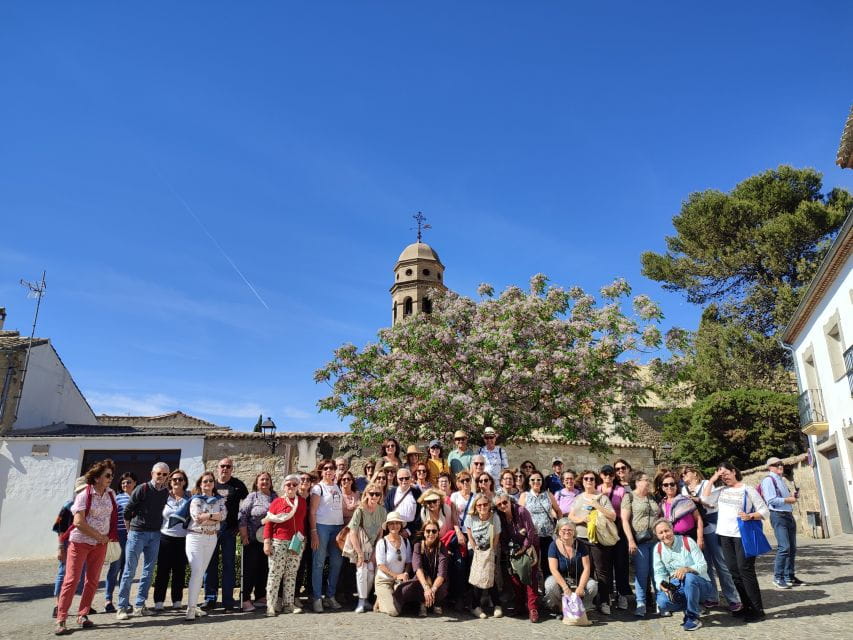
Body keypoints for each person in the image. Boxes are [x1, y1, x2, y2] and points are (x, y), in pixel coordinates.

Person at [55, 459, 117, 635]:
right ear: (97, 478)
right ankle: (61, 618)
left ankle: (83, 614)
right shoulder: (84, 494)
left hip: (100, 544)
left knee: (93, 580)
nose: (111, 478)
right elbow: (78, 522)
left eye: (111, 475)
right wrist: (99, 536)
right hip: (80, 541)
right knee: (72, 579)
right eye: (107, 475)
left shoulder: (111, 494)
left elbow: (111, 518)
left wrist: (107, 538)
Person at [702, 462, 769, 622]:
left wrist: (750, 516)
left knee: (745, 571)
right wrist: (713, 479)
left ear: (734, 471)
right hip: (724, 535)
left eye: (725, 473)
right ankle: (746, 606)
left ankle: (757, 610)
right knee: (734, 572)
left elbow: (764, 510)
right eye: (721, 475)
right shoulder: (721, 490)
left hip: (742, 535)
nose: (724, 477)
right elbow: (705, 498)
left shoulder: (747, 489)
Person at [681, 465, 741, 611]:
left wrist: (698, 500)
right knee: (705, 565)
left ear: (694, 473)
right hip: (697, 529)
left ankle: (733, 598)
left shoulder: (707, 484)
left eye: (685, 473)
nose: (683, 476)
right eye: (681, 474)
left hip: (712, 525)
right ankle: (712, 596)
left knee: (721, 563)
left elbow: (713, 504)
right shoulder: (684, 490)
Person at [116, 462, 170, 620]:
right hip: (137, 533)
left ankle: (140, 605)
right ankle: (122, 607)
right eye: (158, 473)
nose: (161, 477)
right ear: (152, 473)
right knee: (129, 571)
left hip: (155, 535)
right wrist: (130, 530)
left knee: (148, 572)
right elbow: (127, 511)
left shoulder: (165, 492)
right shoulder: (142, 488)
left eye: (164, 474)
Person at [652, 519, 715, 631]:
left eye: (667, 530)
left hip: (701, 584)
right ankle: (691, 605)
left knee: (689, 578)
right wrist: (662, 584)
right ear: (656, 535)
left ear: (672, 530)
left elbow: (703, 565)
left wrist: (688, 569)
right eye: (660, 533)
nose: (665, 535)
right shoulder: (658, 549)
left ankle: (692, 617)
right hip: (678, 584)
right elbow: (659, 573)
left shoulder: (687, 541)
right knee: (661, 601)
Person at [202, 458, 248, 612]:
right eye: (223, 466)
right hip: (211, 530)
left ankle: (228, 601)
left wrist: (239, 525)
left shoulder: (238, 485)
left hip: (229, 531)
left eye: (228, 466)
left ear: (232, 469)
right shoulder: (211, 483)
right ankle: (210, 599)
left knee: (229, 566)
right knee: (210, 565)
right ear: (218, 468)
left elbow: (246, 508)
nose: (225, 469)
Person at [569, 469, 617, 615]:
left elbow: (613, 516)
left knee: (601, 571)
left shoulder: (602, 497)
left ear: (596, 482)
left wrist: (597, 506)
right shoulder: (578, 497)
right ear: (582, 481)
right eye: (586, 479)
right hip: (581, 538)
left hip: (598, 540)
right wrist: (581, 519)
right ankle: (587, 601)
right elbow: (571, 516)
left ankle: (604, 601)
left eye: (591, 479)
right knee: (584, 570)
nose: (589, 481)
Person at [184, 472, 227, 621]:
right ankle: (190, 610)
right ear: (200, 484)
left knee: (201, 572)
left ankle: (194, 607)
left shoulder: (219, 500)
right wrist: (214, 517)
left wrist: (208, 516)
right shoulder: (195, 500)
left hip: (211, 538)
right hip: (195, 536)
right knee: (196, 571)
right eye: (205, 481)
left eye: (210, 481)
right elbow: (197, 518)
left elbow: (223, 516)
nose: (208, 483)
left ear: (214, 484)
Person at [263, 474, 307, 616]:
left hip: (296, 542)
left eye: (295, 484)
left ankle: (288, 604)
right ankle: (271, 604)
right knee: (275, 574)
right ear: (284, 486)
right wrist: (267, 541)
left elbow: (301, 523)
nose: (291, 487)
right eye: (289, 484)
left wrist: (301, 542)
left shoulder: (302, 502)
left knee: (291, 574)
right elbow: (269, 522)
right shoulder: (277, 502)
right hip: (279, 541)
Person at [495, 493, 539, 622]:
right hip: (512, 550)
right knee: (514, 578)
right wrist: (507, 550)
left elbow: (530, 531)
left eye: (504, 502)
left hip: (529, 547)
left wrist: (524, 548)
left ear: (509, 501)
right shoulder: (501, 517)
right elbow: (502, 537)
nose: (503, 506)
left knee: (529, 576)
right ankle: (520, 605)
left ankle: (533, 608)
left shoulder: (521, 511)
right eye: (499, 505)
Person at [762, 456, 804, 589]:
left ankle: (789, 576)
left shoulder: (781, 480)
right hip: (778, 515)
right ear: (770, 467)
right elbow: (771, 500)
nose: (780, 466)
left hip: (788, 515)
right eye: (776, 465)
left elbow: (785, 498)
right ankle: (778, 577)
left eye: (781, 464)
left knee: (792, 548)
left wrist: (793, 497)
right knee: (784, 547)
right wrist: (787, 500)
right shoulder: (768, 480)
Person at [621, 470, 658, 617]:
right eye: (645, 480)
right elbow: (624, 520)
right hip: (640, 541)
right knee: (642, 573)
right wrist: (630, 540)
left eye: (648, 480)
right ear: (637, 482)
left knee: (657, 573)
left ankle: (660, 602)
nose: (648, 482)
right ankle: (641, 603)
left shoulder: (652, 496)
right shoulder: (629, 497)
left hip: (656, 541)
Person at [309, 459, 345, 612]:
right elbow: (312, 512)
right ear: (321, 471)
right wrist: (314, 532)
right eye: (325, 469)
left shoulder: (337, 486)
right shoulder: (318, 488)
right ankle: (317, 598)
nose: (329, 471)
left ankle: (330, 596)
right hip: (322, 527)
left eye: (331, 468)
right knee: (318, 563)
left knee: (336, 563)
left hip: (337, 528)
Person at [238, 471, 277, 612]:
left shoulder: (275, 497)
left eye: (267, 479)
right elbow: (242, 515)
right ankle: (246, 599)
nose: (265, 482)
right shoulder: (252, 496)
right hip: (252, 539)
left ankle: (260, 596)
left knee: (264, 569)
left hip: (269, 540)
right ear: (257, 482)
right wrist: (244, 536)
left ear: (271, 482)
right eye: (262, 480)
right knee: (250, 569)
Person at [394, 520, 449, 616]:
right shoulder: (418, 546)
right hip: (422, 581)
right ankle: (422, 603)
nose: (431, 534)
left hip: (436, 581)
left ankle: (436, 603)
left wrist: (432, 590)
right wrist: (426, 588)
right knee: (404, 590)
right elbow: (417, 568)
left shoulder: (442, 547)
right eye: (428, 531)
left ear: (438, 532)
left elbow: (442, 572)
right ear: (424, 532)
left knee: (442, 586)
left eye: (434, 531)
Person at [152, 469, 190, 612]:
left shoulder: (189, 498)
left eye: (180, 479)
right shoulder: (164, 497)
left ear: (184, 482)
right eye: (174, 479)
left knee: (179, 571)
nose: (177, 482)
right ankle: (159, 601)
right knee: (162, 570)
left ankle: (177, 600)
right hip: (165, 537)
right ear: (170, 482)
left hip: (183, 538)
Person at [347, 482, 387, 613]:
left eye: (377, 494)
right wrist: (359, 554)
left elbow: (381, 534)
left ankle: (365, 599)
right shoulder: (360, 510)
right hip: (360, 546)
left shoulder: (382, 510)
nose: (374, 496)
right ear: (367, 494)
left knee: (370, 572)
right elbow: (352, 532)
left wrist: (376, 554)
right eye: (372, 494)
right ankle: (361, 601)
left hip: (374, 547)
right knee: (361, 571)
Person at [543, 519, 597, 616]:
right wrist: (565, 588)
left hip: (578, 579)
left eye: (570, 530)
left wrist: (580, 587)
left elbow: (587, 568)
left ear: (574, 532)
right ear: (558, 531)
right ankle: (560, 608)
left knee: (592, 585)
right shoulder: (553, 545)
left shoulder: (581, 545)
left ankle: (582, 608)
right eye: (563, 530)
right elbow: (553, 570)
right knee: (549, 584)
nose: (567, 532)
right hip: (561, 580)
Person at [52, 478, 89, 619]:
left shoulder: (90, 505)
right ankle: (58, 605)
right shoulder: (68, 506)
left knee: (83, 574)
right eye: (82, 490)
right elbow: (60, 528)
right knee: (63, 573)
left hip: (85, 543)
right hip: (68, 543)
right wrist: (61, 547)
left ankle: (82, 606)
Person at [599, 464, 631, 609]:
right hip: (602, 528)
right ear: (601, 475)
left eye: (610, 474)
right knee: (605, 563)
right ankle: (608, 594)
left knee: (620, 563)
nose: (608, 476)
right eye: (605, 474)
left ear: (614, 476)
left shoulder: (621, 490)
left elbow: (625, 511)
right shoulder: (597, 489)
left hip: (618, 528)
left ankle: (622, 594)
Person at [104, 472, 137, 613]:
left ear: (134, 483)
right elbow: (111, 518)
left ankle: (124, 600)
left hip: (133, 536)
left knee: (126, 569)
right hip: (119, 536)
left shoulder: (138, 498)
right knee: (115, 568)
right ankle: (108, 600)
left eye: (128, 482)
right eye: (123, 483)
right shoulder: (117, 498)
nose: (125, 485)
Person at [519, 469, 561, 579]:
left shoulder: (548, 494)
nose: (536, 482)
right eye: (533, 479)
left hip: (547, 535)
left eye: (539, 479)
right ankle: (535, 590)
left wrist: (559, 527)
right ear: (528, 481)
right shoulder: (525, 496)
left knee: (548, 562)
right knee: (533, 562)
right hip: (532, 535)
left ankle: (548, 587)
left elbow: (558, 511)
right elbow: (519, 515)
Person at [466, 494, 502, 619]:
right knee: (478, 578)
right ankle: (476, 606)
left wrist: (492, 550)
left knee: (490, 577)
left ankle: (497, 605)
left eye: (485, 504)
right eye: (479, 505)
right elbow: (469, 534)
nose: (482, 507)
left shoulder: (494, 517)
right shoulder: (471, 518)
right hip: (476, 551)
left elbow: (497, 535)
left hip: (490, 550)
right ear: (476, 506)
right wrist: (474, 546)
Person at [374, 511, 412, 616]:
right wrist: (396, 575)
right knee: (394, 612)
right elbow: (380, 565)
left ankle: (383, 598)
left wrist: (405, 573)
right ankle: (380, 599)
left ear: (400, 525)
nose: (394, 526)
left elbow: (408, 562)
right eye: (391, 523)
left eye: (397, 523)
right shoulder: (382, 543)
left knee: (408, 608)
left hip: (399, 582)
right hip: (384, 581)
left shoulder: (406, 542)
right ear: (387, 526)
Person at [659, 471, 703, 547]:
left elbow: (698, 519)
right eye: (666, 485)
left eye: (672, 484)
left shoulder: (686, 500)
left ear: (676, 486)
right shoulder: (661, 505)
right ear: (663, 488)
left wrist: (700, 538)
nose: (669, 487)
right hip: (674, 540)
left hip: (691, 537)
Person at [337, 469, 360, 605]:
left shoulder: (357, 494)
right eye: (343, 479)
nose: (346, 481)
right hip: (341, 532)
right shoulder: (338, 495)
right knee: (340, 563)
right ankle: (339, 593)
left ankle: (350, 593)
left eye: (348, 479)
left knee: (352, 563)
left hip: (355, 532)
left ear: (352, 481)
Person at [294, 472, 315, 607]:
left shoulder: (313, 498)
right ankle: (294, 595)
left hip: (311, 535)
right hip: (296, 537)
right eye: (302, 479)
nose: (305, 481)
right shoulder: (294, 497)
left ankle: (310, 595)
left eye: (308, 479)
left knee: (311, 565)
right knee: (297, 566)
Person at [385, 467, 422, 538]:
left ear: (410, 478)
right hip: (394, 529)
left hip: (411, 531)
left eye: (406, 478)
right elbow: (387, 510)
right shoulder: (391, 492)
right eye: (401, 479)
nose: (404, 481)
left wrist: (409, 531)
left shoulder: (416, 493)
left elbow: (420, 515)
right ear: (397, 479)